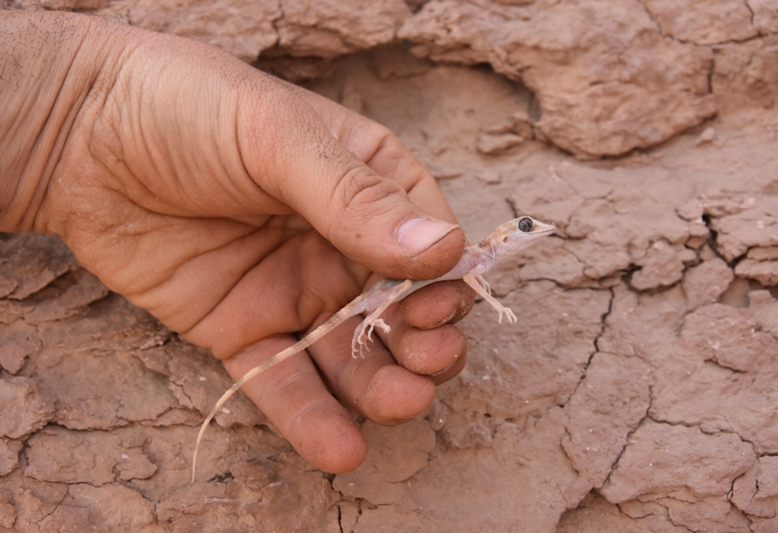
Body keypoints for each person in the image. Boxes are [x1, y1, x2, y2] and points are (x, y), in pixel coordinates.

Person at [0, 10, 473, 473]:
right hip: (367, 289)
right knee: (387, 319)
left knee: (405, 328)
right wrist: (67, 104)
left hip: (367, 289)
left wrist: (63, 111)